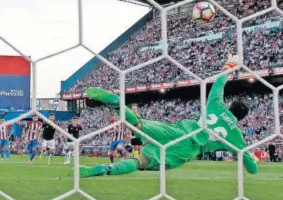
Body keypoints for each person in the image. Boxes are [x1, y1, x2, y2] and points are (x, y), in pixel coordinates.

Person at [73, 54, 259, 177]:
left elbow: (219, 83)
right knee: (142, 161)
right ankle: (106, 169)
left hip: (178, 130)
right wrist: (249, 159)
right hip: (189, 148)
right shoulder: (236, 135)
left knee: (138, 124)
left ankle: (115, 103)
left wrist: (230, 65)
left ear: (229, 105)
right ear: (241, 119)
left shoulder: (217, 105)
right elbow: (252, 169)